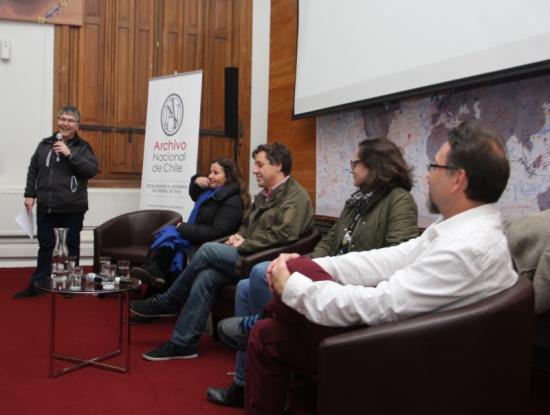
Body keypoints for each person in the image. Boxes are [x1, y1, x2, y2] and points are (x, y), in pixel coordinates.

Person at [244, 121, 518, 414]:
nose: (427, 175)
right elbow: (394, 257)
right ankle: (267, 315)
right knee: (270, 326)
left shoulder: (466, 248)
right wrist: (307, 264)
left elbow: (381, 305)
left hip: (400, 353)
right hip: (403, 335)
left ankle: (261, 316)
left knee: (268, 329)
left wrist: (294, 288)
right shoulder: (461, 229)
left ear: (457, 180)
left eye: (434, 167)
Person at [206, 138, 420, 407]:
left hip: (356, 284)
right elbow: (330, 241)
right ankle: (242, 381)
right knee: (245, 287)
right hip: (330, 272)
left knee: (263, 271)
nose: (351, 168)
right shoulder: (356, 201)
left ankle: (259, 325)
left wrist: (316, 268)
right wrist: (310, 263)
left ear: (374, 166)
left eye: (356, 163)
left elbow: (395, 256)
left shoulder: (399, 201)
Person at [130, 142, 314, 360]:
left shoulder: (295, 197)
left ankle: (169, 300)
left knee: (207, 250)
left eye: (259, 164)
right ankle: (183, 343)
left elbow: (283, 236)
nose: (254, 170)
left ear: (278, 166)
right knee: (206, 276)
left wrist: (243, 244)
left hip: (264, 261)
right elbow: (247, 225)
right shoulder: (265, 194)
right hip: (248, 254)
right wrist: (239, 236)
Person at [13, 105, 99, 299]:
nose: (65, 123)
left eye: (70, 120)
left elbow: (91, 170)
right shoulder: (44, 145)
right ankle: (39, 283)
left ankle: (71, 283)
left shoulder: (83, 147)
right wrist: (29, 194)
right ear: (57, 121)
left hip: (72, 207)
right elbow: (33, 169)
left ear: (77, 126)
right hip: (47, 206)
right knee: (45, 245)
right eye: (62, 119)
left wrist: (70, 154)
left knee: (71, 245)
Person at [130, 158, 250, 291]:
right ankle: (153, 276)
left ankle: (154, 280)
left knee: (172, 237)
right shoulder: (209, 192)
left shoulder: (233, 201)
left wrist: (184, 228)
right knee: (169, 236)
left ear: (229, 176)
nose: (210, 176)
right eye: (210, 172)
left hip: (210, 243)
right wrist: (196, 180)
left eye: (216, 173)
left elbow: (217, 232)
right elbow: (194, 194)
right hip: (197, 237)